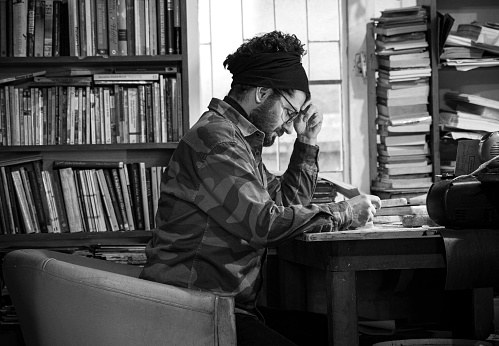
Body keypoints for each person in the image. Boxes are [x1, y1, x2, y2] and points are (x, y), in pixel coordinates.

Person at [140, 30, 381, 345]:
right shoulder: (216, 140)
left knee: (343, 334)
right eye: (288, 112)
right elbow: (264, 225)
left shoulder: (239, 142)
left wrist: (306, 141)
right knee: (339, 334)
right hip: (194, 312)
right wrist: (346, 212)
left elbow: (284, 204)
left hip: (227, 308)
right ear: (262, 92)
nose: (286, 125)